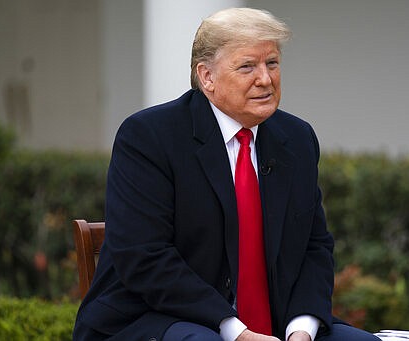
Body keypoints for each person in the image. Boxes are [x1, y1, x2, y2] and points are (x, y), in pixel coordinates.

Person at [73, 7, 381, 341]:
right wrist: (235, 331)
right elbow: (145, 257)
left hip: (279, 327)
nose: (265, 78)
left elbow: (314, 247)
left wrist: (301, 329)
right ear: (206, 77)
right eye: (247, 66)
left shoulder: (296, 139)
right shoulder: (149, 137)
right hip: (159, 318)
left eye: (272, 64)